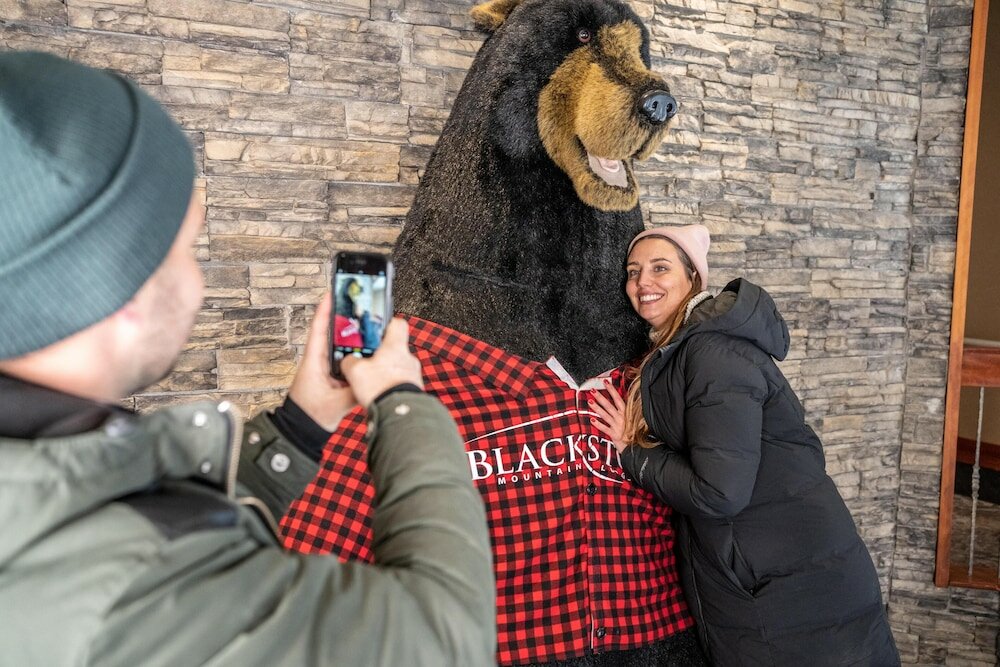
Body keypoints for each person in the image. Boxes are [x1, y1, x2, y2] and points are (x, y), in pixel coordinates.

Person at [0, 51, 495, 666]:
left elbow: (167, 530)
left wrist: (297, 427)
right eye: (187, 248)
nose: (199, 280)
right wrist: (402, 402)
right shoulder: (130, 596)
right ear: (120, 284)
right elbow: (447, 637)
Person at [588, 224, 900, 666]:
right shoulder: (687, 349)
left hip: (787, 586)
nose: (642, 283)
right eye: (633, 271)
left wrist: (632, 454)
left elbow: (720, 493)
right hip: (779, 569)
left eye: (660, 268)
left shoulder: (711, 353)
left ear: (694, 277)